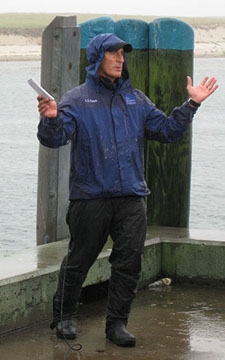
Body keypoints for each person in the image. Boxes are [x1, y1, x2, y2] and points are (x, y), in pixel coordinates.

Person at [37, 33, 218, 347]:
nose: (121, 59)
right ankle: (65, 316)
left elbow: (167, 131)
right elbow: (55, 140)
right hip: (90, 197)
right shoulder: (76, 100)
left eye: (123, 54)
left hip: (131, 197)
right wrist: (51, 119)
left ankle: (117, 325)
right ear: (97, 59)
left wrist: (191, 104)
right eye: (113, 53)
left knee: (129, 261)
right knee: (80, 259)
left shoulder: (137, 99)